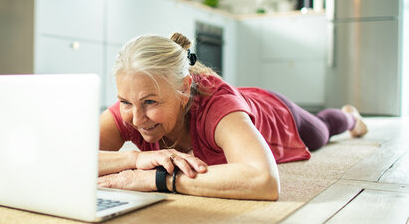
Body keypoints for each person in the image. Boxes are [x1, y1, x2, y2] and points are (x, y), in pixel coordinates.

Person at [97, 33, 367, 201]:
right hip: (240, 103)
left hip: (274, 113)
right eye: (125, 102)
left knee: (323, 130)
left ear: (182, 88)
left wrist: (157, 179)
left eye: (150, 102)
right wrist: (134, 158)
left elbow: (264, 181)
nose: (136, 119)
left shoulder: (217, 109)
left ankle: (349, 115)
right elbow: (65, 156)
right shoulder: (134, 106)